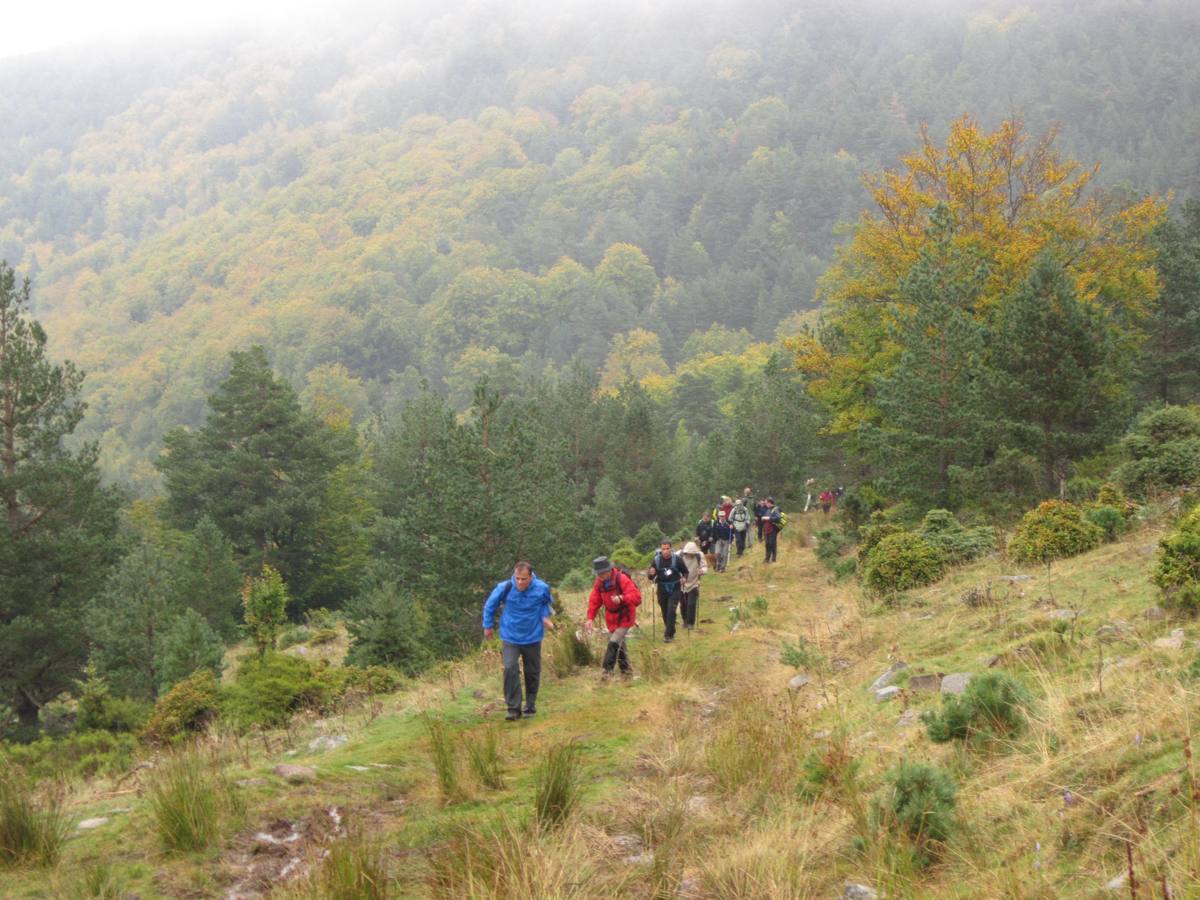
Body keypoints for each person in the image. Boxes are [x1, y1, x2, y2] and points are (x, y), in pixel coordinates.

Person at [482, 561, 555, 721]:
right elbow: (490, 605)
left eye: (523, 579)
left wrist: (545, 617)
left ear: (531, 577)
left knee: (532, 672)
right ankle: (513, 709)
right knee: (509, 668)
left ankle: (530, 705)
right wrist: (487, 626)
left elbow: (546, 603)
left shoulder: (541, 588)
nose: (520, 582)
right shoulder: (505, 587)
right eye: (517, 578)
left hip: (533, 636)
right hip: (510, 636)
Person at [585, 556, 641, 678]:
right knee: (620, 646)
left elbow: (636, 597)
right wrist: (590, 618)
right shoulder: (599, 583)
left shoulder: (622, 579)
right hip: (611, 618)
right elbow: (594, 600)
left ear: (608, 571)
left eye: (600, 573)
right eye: (597, 574)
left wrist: (622, 598)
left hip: (625, 616)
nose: (598, 576)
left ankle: (606, 672)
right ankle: (627, 672)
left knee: (614, 642)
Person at [647, 540, 689, 642]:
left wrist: (684, 578)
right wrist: (651, 573)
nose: (665, 551)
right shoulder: (656, 560)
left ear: (671, 549)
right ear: (661, 550)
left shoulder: (677, 559)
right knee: (665, 612)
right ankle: (671, 630)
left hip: (675, 588)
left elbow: (685, 572)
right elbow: (650, 577)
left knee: (671, 610)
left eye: (667, 549)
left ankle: (668, 635)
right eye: (663, 549)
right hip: (662, 589)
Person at [678, 540, 708, 630]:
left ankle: (691, 623)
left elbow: (705, 566)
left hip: (694, 582)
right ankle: (685, 620)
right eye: (689, 553)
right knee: (683, 603)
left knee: (691, 603)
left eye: (693, 553)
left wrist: (702, 571)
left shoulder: (699, 555)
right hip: (681, 583)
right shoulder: (679, 555)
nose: (691, 555)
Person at [761, 497, 782, 563]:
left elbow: (778, 518)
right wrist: (763, 519)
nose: (765, 504)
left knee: (772, 544)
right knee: (767, 544)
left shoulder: (775, 509)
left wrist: (769, 518)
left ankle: (773, 559)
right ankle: (767, 559)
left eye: (766, 503)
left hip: (772, 530)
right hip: (766, 529)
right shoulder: (768, 509)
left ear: (770, 503)